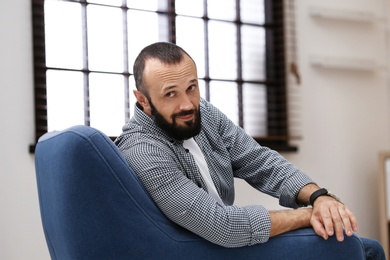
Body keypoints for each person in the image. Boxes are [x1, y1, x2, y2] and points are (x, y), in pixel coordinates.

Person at [115, 42, 384, 258]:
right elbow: (222, 225)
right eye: (170, 94)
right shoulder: (142, 151)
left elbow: (259, 161)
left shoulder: (203, 113)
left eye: (192, 88)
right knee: (344, 245)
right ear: (143, 100)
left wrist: (319, 197)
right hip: (198, 248)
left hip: (221, 240)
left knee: (370, 249)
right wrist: (307, 214)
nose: (187, 104)